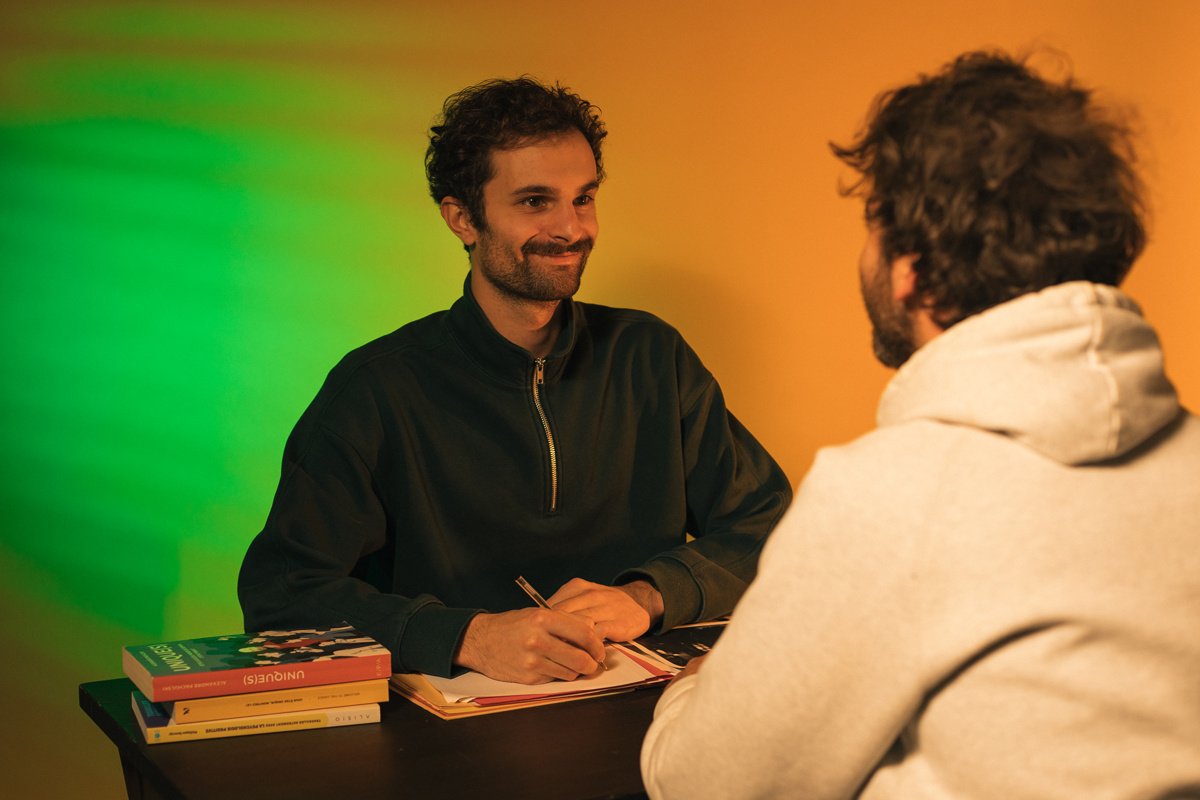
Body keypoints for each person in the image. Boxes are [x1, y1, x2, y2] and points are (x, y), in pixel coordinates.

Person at [641, 51, 1200, 798]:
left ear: (911, 266)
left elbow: (703, 784)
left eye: (872, 225)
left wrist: (703, 688)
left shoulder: (893, 492)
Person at [237, 77, 792, 684]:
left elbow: (768, 523)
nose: (571, 228)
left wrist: (647, 595)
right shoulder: (375, 389)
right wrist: (468, 637)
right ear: (462, 218)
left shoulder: (650, 356)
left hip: (646, 717)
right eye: (534, 201)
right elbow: (281, 594)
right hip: (452, 742)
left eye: (583, 198)